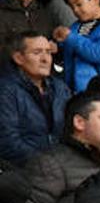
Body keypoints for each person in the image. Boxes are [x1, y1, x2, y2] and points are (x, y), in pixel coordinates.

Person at [0, 30, 70, 166]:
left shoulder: (60, 88)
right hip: (24, 171)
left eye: (48, 52)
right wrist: (46, 163)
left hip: (61, 167)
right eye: (37, 53)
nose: (45, 59)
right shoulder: (5, 91)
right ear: (18, 58)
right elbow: (7, 142)